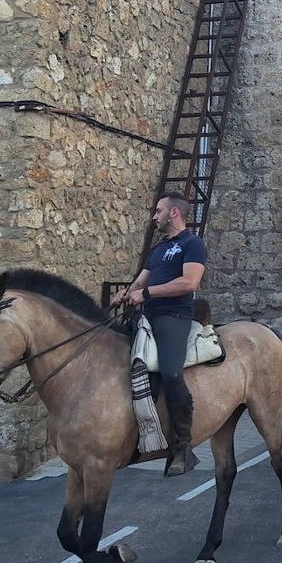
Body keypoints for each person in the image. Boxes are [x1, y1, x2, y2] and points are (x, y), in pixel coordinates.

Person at [119, 193, 207, 476]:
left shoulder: (192, 244)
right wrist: (126, 293)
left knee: (170, 373)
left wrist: (146, 293)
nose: (154, 216)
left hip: (174, 316)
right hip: (146, 315)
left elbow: (189, 282)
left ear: (174, 214)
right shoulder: (157, 249)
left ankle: (183, 446)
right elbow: (140, 280)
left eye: (159, 211)